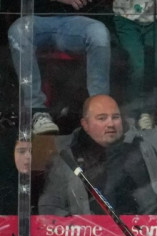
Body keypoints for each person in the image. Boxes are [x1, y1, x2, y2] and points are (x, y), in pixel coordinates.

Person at [38, 94, 157, 215]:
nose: (110, 123)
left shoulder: (147, 143)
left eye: (115, 117)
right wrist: (75, 231)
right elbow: (50, 206)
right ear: (85, 124)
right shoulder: (68, 158)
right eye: (102, 118)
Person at [7, 0, 112, 135]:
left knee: (99, 33)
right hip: (35, 18)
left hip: (74, 21)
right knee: (18, 32)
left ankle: (99, 110)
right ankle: (37, 111)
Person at [112, 0, 157, 129]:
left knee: (155, 64)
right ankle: (132, 111)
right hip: (126, 17)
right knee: (137, 65)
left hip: (155, 17)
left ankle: (146, 112)